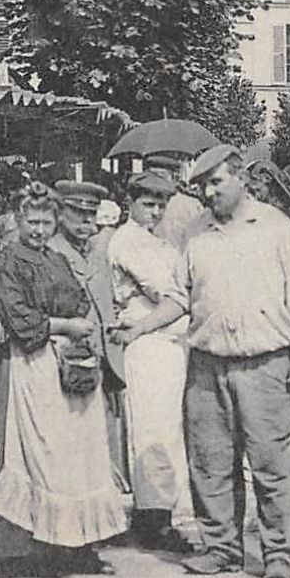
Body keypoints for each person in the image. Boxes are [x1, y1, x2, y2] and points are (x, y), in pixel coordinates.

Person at [116, 145, 290, 578]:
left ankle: (278, 553)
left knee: (272, 465)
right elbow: (177, 296)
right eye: (202, 186)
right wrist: (139, 329)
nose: (208, 193)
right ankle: (222, 547)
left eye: (215, 183)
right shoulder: (195, 232)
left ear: (240, 178)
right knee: (210, 463)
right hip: (207, 366)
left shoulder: (275, 227)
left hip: (266, 364)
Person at [0, 182, 127, 577]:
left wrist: (75, 324)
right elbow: (19, 319)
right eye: (32, 221)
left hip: (67, 366)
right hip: (29, 365)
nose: (38, 229)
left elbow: (81, 299)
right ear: (19, 220)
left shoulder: (56, 258)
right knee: (34, 455)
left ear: (55, 223)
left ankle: (73, 547)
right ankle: (18, 550)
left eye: (46, 221)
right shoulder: (6, 261)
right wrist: (66, 323)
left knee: (76, 457)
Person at [106, 172, 193, 549]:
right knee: (153, 429)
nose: (155, 211)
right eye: (147, 203)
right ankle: (154, 516)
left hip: (170, 342)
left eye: (161, 204)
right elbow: (167, 290)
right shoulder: (128, 241)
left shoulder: (156, 240)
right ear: (131, 202)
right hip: (147, 339)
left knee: (168, 428)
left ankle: (160, 510)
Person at [50, 180, 128, 493]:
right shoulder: (52, 253)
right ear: (60, 213)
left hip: (102, 362)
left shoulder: (98, 253)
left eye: (91, 214)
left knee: (101, 442)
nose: (86, 221)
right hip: (67, 362)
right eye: (77, 213)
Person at [146, 153, 205, 250]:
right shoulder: (143, 204)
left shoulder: (191, 205)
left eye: (161, 177)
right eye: (152, 177)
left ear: (173, 177)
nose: (156, 182)